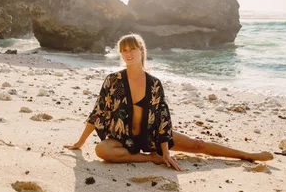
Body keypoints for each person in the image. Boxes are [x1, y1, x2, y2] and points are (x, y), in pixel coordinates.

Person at [64, 33, 274, 171]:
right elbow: (98, 112)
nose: (128, 54)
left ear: (141, 51)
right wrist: (80, 142)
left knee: (197, 145)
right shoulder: (113, 80)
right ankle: (149, 158)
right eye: (124, 50)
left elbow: (163, 119)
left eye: (132, 49)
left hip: (152, 136)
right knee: (102, 150)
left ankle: (247, 155)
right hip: (123, 139)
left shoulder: (154, 83)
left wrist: (165, 152)